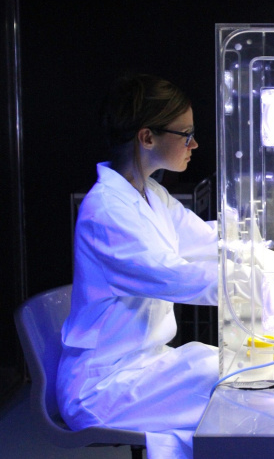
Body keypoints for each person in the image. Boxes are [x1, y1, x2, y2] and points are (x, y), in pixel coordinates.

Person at [57, 74, 219, 459]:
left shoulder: (150, 194)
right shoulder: (107, 213)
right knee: (239, 395)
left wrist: (258, 246)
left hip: (147, 363)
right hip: (103, 387)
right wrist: (268, 289)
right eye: (186, 134)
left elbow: (209, 243)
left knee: (235, 372)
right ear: (147, 138)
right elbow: (178, 278)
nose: (194, 144)